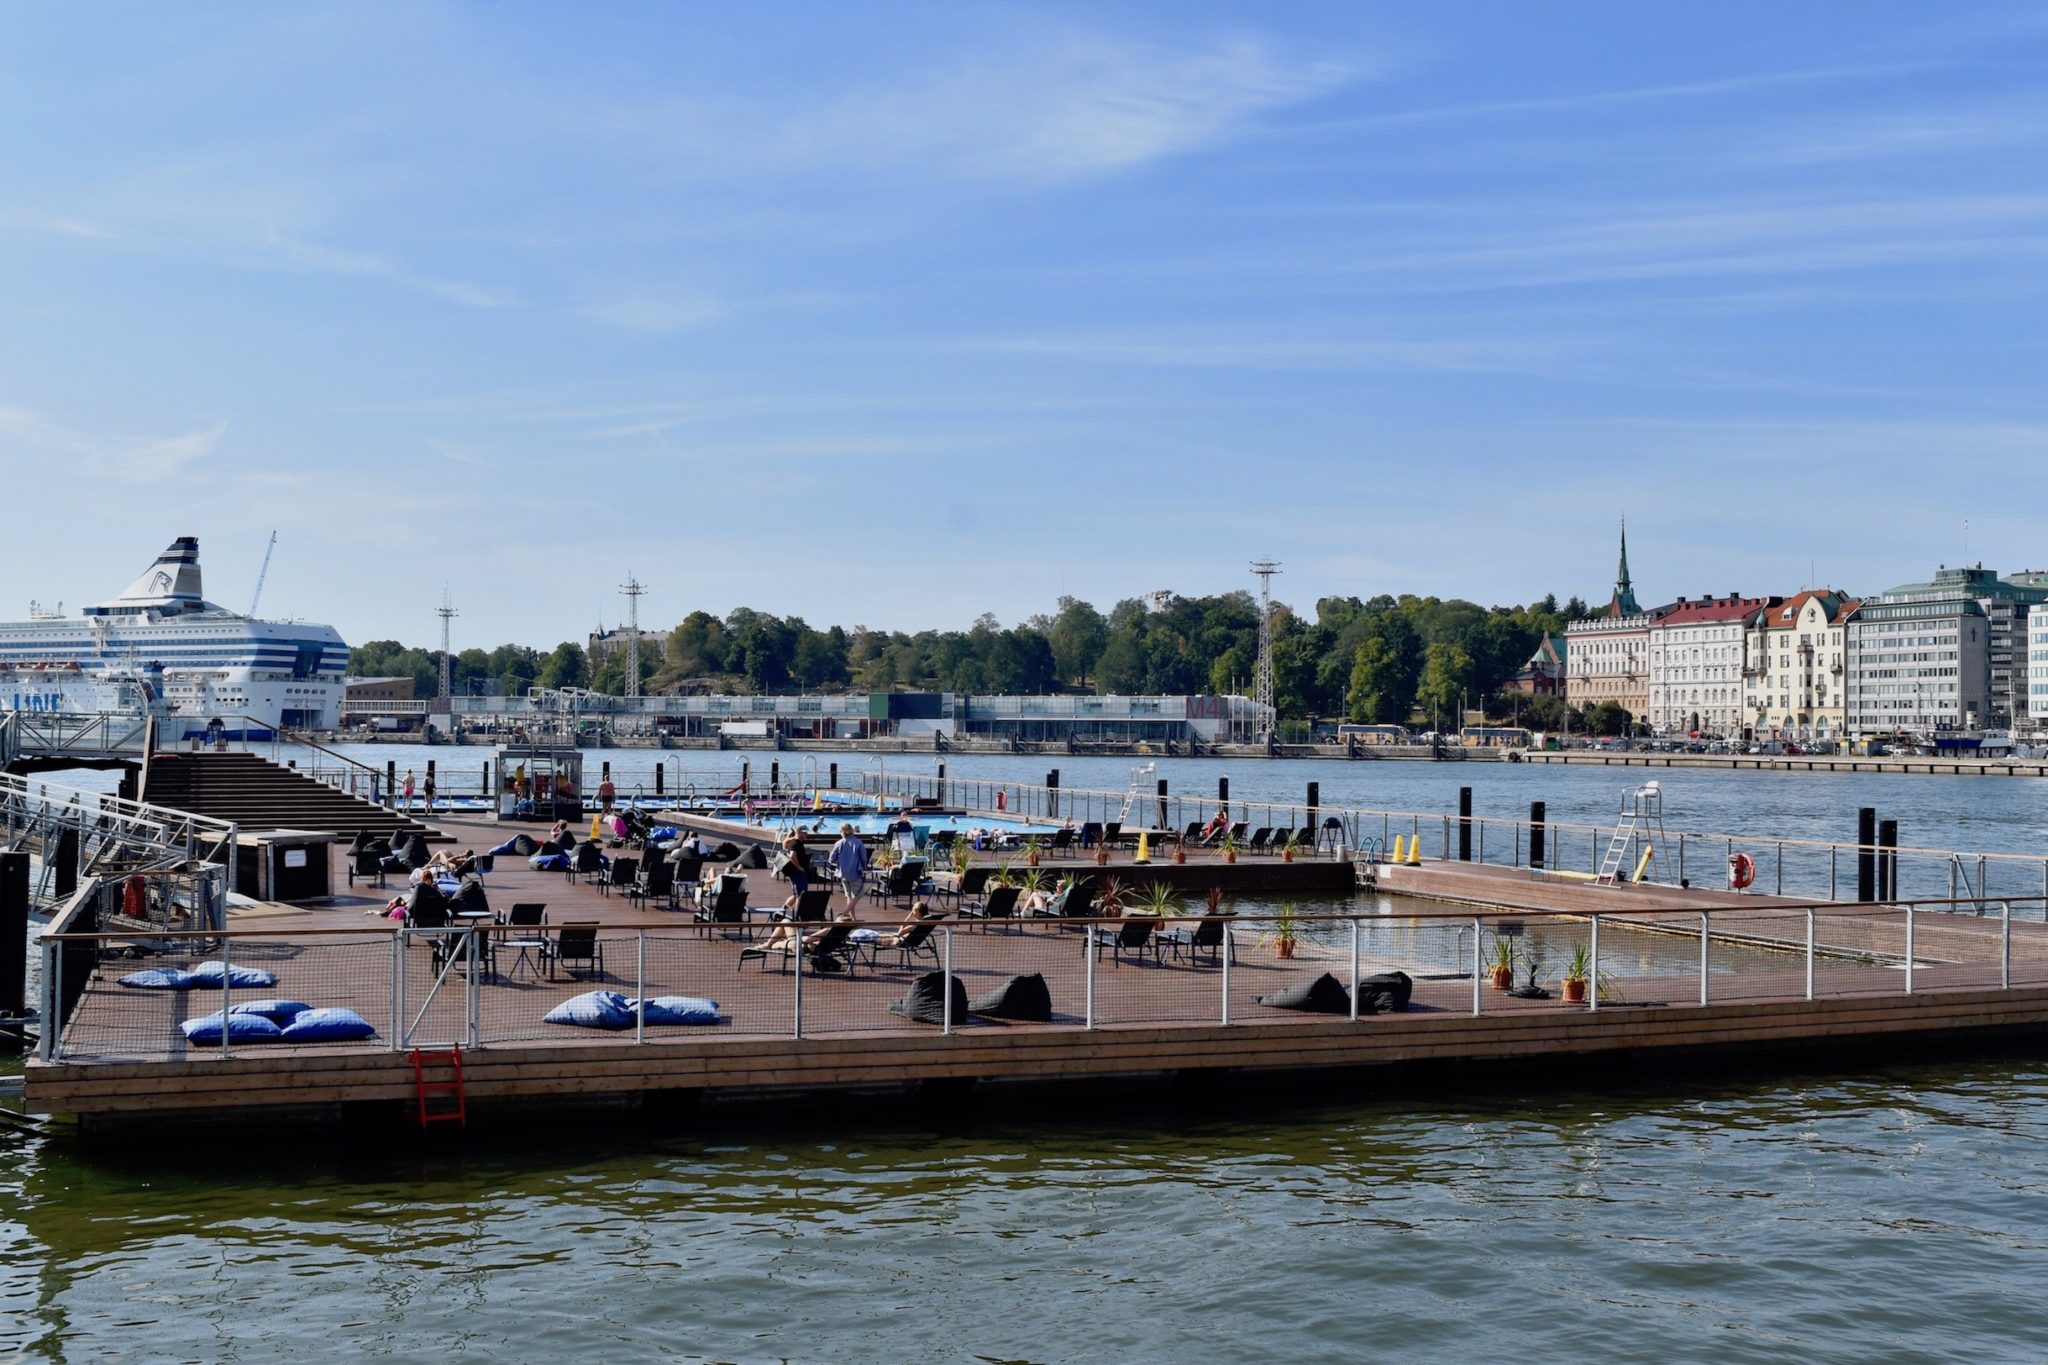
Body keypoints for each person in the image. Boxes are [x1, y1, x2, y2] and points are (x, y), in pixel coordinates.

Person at [829, 823, 870, 910]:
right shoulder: (858, 842)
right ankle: (844, 913)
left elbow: (831, 859)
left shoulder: (838, 843)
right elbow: (864, 858)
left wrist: (840, 862)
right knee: (858, 895)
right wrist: (865, 867)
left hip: (843, 873)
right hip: (855, 873)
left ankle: (852, 918)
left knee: (849, 897)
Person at [781, 828, 812, 899]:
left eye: (807, 832)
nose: (806, 834)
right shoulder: (796, 843)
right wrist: (799, 867)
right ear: (799, 832)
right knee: (801, 895)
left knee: (796, 895)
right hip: (796, 872)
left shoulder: (798, 842)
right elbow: (792, 855)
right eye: (804, 832)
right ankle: (800, 910)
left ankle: (783, 908)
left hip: (797, 871)